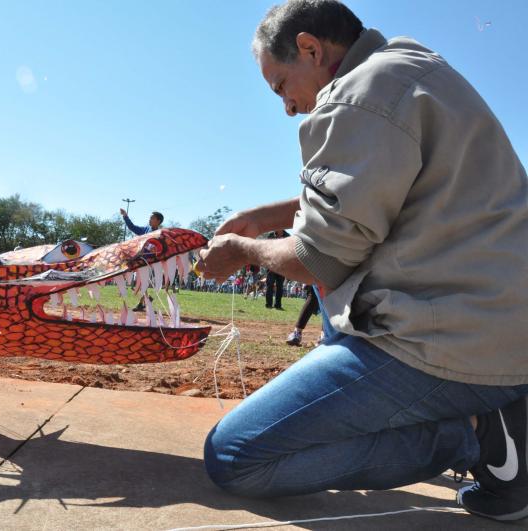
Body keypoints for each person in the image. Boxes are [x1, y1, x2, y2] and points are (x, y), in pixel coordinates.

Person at [197, 0, 528, 521]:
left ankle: (484, 437)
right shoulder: (410, 67)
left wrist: (245, 252)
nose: (287, 107)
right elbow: (374, 187)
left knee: (235, 458)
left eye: (282, 85)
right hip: (499, 331)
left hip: (453, 347)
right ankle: (498, 438)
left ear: (310, 47)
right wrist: (260, 217)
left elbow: (319, 259)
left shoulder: (358, 97)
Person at [119, 208, 164, 310]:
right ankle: (145, 300)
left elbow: (160, 249)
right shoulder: (146, 230)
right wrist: (125, 216)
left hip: (150, 263)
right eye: (150, 217)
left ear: (158, 221)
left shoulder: (160, 234)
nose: (149, 219)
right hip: (140, 260)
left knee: (142, 282)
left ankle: (142, 303)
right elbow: (132, 227)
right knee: (139, 282)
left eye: (152, 218)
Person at [264, 230, 288, 309]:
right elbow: (266, 249)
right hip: (271, 264)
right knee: (269, 285)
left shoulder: (288, 236)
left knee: (280, 286)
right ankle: (268, 304)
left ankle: (278, 305)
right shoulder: (270, 235)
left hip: (282, 265)